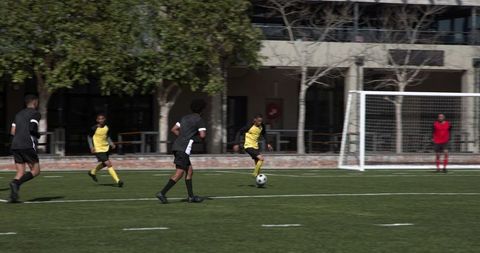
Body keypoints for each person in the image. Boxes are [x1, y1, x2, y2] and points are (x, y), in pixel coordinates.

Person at [156, 99, 207, 204]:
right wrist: (191, 137)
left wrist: (183, 136)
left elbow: (173, 129)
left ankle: (191, 197)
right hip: (183, 149)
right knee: (179, 173)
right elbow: (203, 135)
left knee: (189, 171)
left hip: (177, 146)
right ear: (202, 110)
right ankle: (162, 193)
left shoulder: (184, 118)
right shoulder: (199, 119)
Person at [8, 94, 42, 203]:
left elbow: (12, 132)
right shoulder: (35, 113)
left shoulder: (18, 114)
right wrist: (37, 135)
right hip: (27, 144)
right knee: (36, 171)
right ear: (35, 102)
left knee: (20, 172)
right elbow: (32, 128)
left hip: (15, 144)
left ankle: (14, 196)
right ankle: (16, 184)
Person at [87, 113, 123, 187]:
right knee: (108, 163)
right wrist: (91, 147)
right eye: (99, 119)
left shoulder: (107, 127)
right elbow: (89, 137)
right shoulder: (94, 128)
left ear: (105, 119)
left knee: (104, 164)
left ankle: (92, 172)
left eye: (102, 118)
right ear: (97, 120)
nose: (101, 120)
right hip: (98, 148)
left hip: (105, 148)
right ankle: (118, 181)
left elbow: (107, 136)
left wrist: (111, 143)